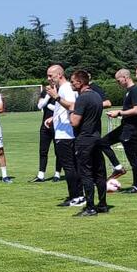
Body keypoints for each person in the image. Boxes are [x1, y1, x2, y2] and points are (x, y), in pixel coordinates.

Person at [70, 70, 107, 216]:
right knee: (99, 172)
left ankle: (90, 207)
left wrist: (70, 113)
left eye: (73, 81)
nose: (72, 84)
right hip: (96, 137)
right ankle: (102, 204)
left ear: (80, 82)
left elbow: (75, 122)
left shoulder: (82, 98)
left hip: (84, 140)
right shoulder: (97, 96)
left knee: (86, 173)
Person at [44, 65, 83, 206]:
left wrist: (56, 97)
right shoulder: (62, 88)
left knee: (69, 167)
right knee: (70, 166)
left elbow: (73, 106)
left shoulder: (66, 88)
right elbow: (63, 110)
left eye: (51, 75)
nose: (49, 79)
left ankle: (77, 197)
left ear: (59, 74)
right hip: (62, 132)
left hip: (67, 134)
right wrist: (53, 119)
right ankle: (76, 195)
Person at [103, 69, 137, 192]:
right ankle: (118, 167)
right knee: (102, 143)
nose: (118, 83)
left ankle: (136, 186)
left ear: (125, 77)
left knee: (133, 158)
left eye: (118, 80)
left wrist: (119, 112)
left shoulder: (135, 90)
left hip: (131, 129)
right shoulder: (128, 91)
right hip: (124, 127)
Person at [88, 74, 125, 178]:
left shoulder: (94, 88)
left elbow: (108, 103)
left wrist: (89, 105)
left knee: (95, 148)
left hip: (92, 125)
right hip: (80, 125)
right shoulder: (78, 90)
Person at [32, 85, 61, 182]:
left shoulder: (62, 90)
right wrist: (48, 96)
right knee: (43, 150)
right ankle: (41, 175)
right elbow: (40, 106)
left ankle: (57, 174)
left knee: (58, 151)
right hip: (45, 126)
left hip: (57, 125)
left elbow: (62, 108)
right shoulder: (45, 91)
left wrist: (48, 105)